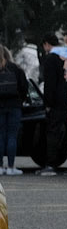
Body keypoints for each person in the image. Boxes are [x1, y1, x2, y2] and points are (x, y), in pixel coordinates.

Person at [37, 37, 67, 175]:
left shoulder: (51, 59)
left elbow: (50, 83)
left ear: (46, 44)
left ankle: (51, 164)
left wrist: (48, 103)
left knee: (53, 133)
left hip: (56, 102)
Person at [0, 44, 26, 177]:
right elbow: (24, 87)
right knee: (12, 136)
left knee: (0, 136)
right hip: (14, 106)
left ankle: (0, 166)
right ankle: (11, 167)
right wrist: (20, 100)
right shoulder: (16, 68)